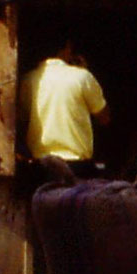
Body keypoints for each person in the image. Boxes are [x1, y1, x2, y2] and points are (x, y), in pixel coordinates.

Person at [20, 31, 109, 177]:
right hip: (76, 166)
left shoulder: (28, 80)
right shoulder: (82, 77)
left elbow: (22, 120)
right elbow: (104, 117)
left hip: (40, 166)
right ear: (67, 48)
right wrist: (87, 73)